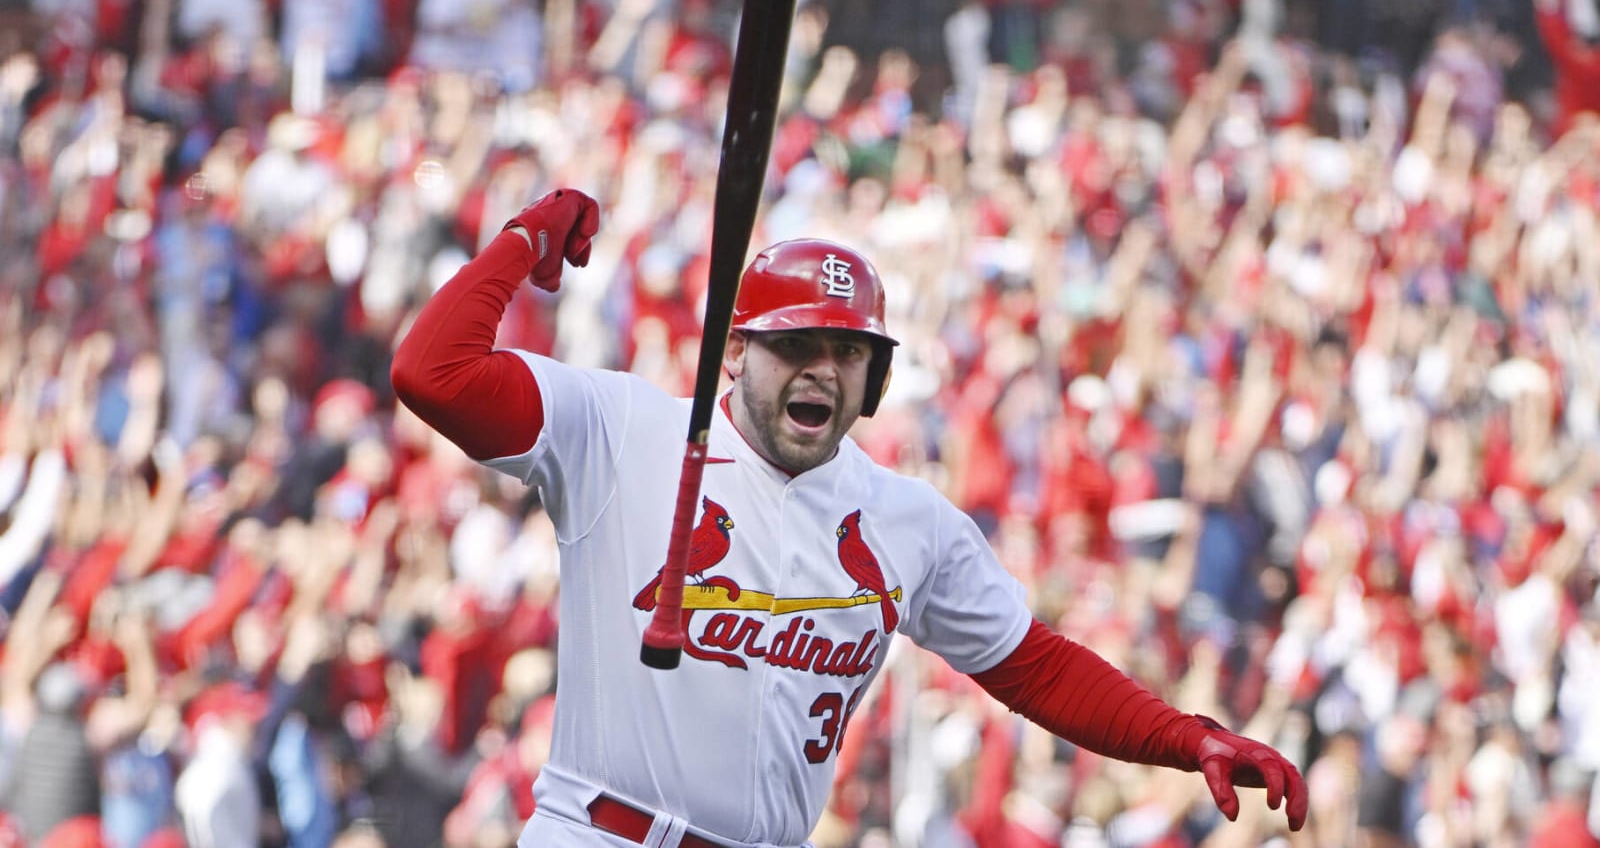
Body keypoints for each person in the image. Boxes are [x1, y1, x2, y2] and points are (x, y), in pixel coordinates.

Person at [390, 189, 1309, 847]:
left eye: (849, 351)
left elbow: (1033, 667)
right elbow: (432, 375)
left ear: (877, 381)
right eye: (796, 344)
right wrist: (518, 244)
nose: (823, 368)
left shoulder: (908, 521)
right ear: (737, 353)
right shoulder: (623, 429)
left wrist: (1185, 736)